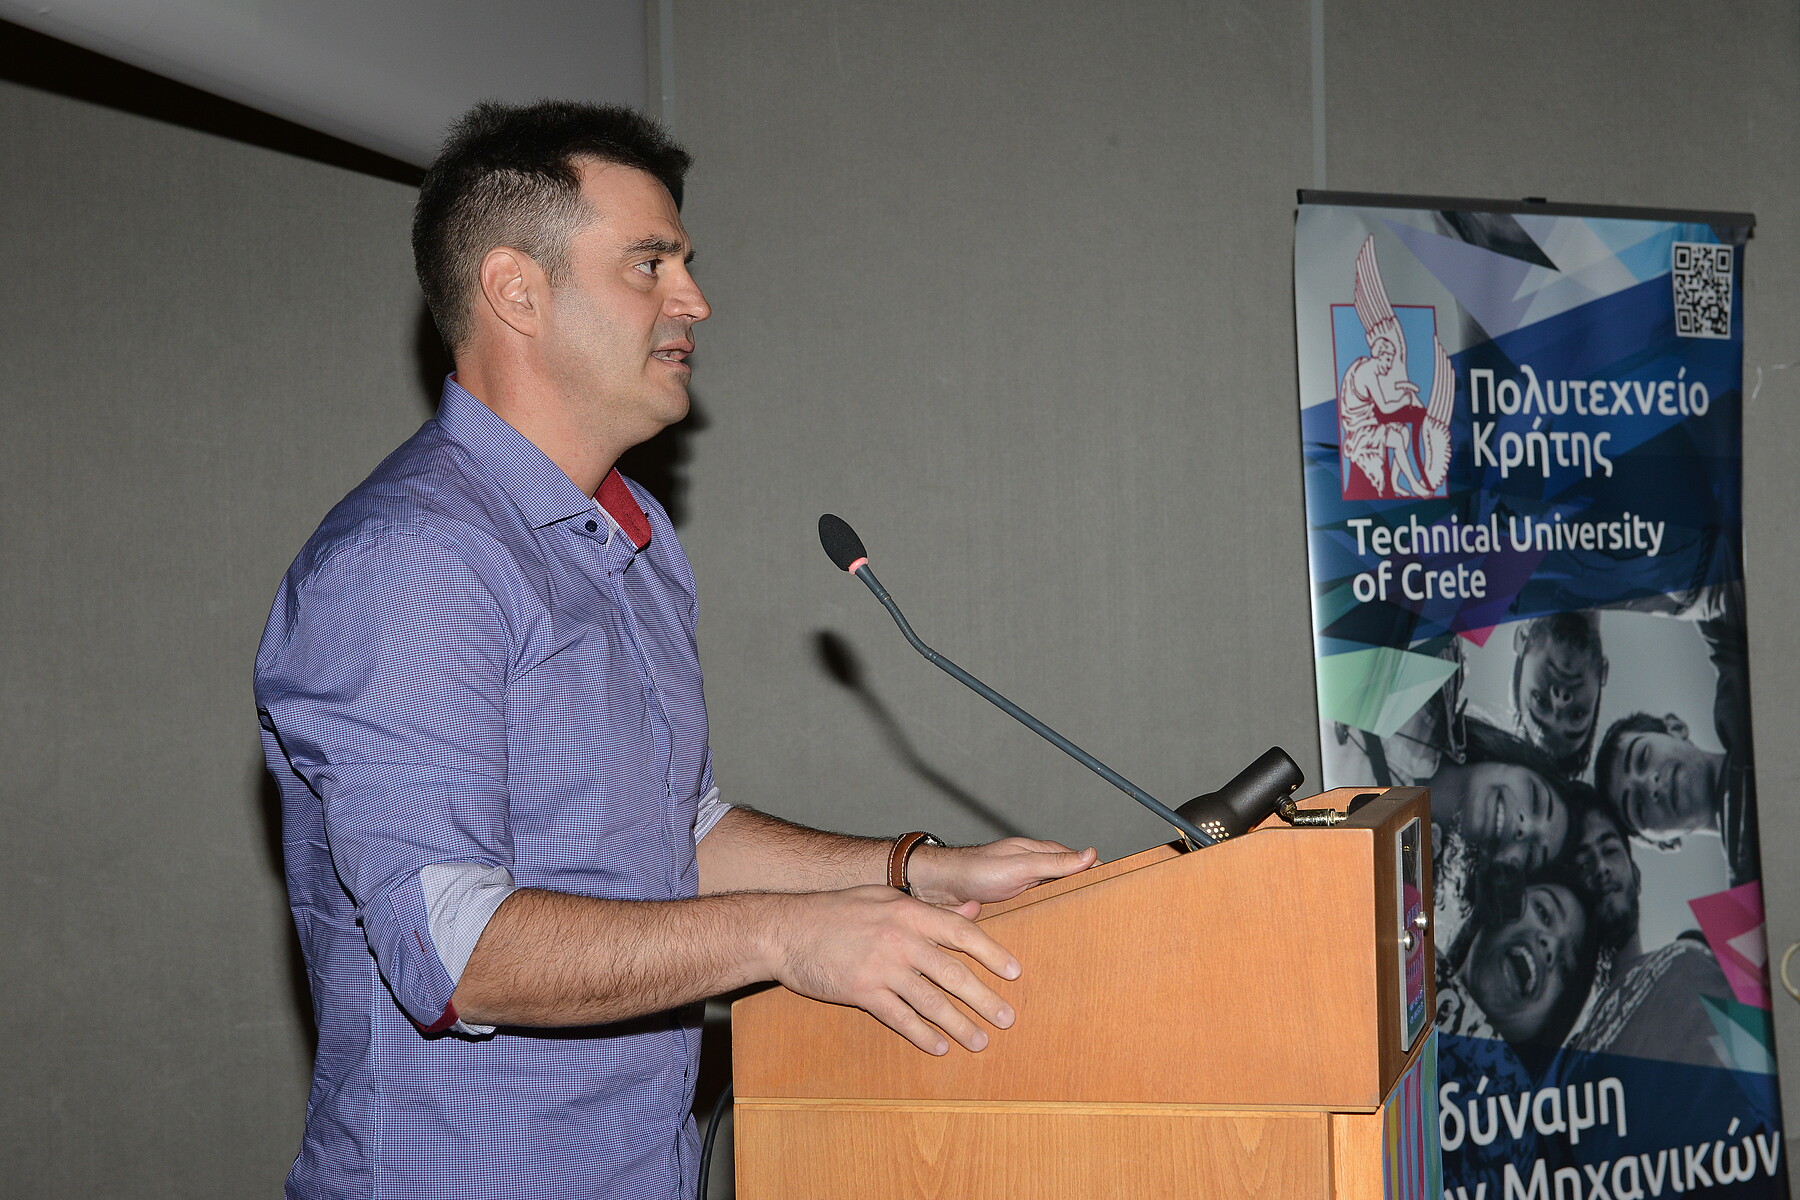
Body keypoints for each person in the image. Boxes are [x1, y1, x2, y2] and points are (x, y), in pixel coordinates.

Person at [254, 101, 1097, 1200]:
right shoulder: (411, 560)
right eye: (649, 265)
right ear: (516, 291)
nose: (694, 300)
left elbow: (676, 837)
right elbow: (455, 952)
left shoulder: (633, 538)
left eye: (685, 265)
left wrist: (919, 871)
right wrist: (790, 939)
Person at [1594, 583, 1759, 886]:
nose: (1650, 785)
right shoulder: (1747, 887)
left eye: (1643, 758)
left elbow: (1711, 586)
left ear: (1675, 727)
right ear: (1665, 844)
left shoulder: (1741, 699)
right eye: (1638, 807)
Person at [1567, 802, 1732, 1068]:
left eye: (1610, 850)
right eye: (1582, 864)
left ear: (1636, 876)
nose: (1601, 867)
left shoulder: (1694, 954)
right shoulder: (1571, 1056)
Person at [1510, 611, 1607, 777]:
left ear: (1522, 640)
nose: (1560, 700)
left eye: (1541, 701)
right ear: (1603, 673)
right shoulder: (1652, 599)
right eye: (1576, 714)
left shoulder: (1477, 604)